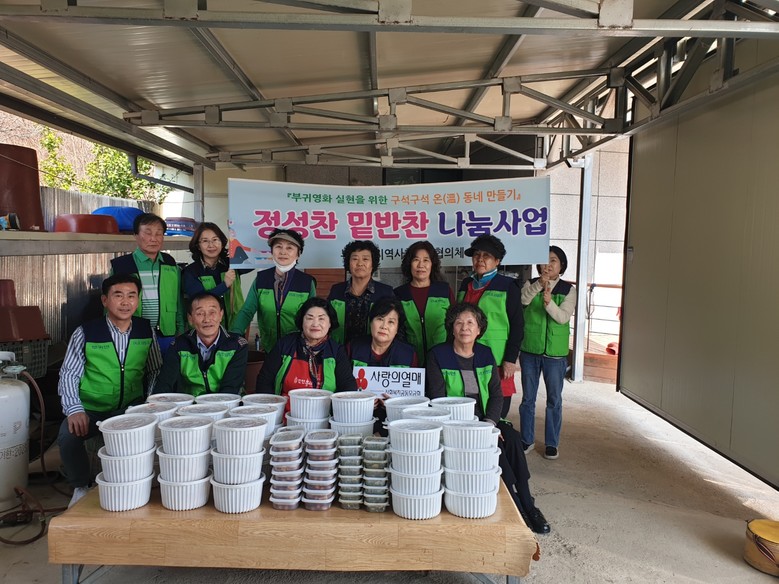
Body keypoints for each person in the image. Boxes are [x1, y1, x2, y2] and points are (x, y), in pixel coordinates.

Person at [427, 302, 550, 535]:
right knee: (496, 449)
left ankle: (529, 503)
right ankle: (515, 505)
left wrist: (490, 425)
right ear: (451, 327)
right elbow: (438, 400)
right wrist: (479, 431)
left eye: (470, 323)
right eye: (459, 322)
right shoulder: (438, 355)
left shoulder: (485, 353)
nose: (465, 327)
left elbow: (496, 394)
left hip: (486, 420)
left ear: (479, 329)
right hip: (457, 425)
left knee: (512, 438)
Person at [57, 274, 162, 508]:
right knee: (67, 436)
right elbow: (69, 374)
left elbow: (155, 369)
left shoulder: (145, 330)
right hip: (92, 408)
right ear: (105, 300)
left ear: (138, 300)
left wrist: (149, 402)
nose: (125, 302)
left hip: (130, 409)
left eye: (131, 295)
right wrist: (74, 409)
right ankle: (80, 487)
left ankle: (132, 484)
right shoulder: (86, 332)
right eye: (118, 295)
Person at [457, 234, 523, 419]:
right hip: (468, 358)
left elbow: (518, 325)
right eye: (476, 255)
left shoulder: (508, 286)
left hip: (498, 361)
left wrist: (510, 359)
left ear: (497, 261)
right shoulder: (466, 284)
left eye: (486, 256)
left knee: (497, 409)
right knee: (472, 402)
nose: (480, 259)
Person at [519, 246, 576, 460]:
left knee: (554, 400)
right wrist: (538, 286)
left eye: (553, 260)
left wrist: (549, 302)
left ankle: (552, 443)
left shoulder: (568, 290)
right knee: (528, 399)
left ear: (561, 266)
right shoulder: (530, 283)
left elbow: (562, 317)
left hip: (555, 354)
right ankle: (527, 439)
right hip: (529, 350)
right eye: (544, 260)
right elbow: (523, 301)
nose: (548, 265)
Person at [230, 228, 316, 351]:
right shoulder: (261, 279)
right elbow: (247, 310)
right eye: (278, 246)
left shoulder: (306, 282)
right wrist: (235, 333)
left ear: (298, 254)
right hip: (269, 348)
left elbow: (312, 315)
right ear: (272, 251)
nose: (283, 252)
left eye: (289, 248)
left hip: (297, 349)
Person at [255, 297, 357, 400]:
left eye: (321, 318)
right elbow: (265, 380)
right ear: (302, 321)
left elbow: (347, 386)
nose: (315, 324)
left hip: (325, 409)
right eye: (309, 318)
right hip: (286, 408)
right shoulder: (285, 345)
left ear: (330, 323)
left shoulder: (337, 351)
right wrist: (272, 406)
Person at [110, 212, 185, 353]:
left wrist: (180, 329)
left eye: (159, 233)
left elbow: (178, 300)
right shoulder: (122, 266)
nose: (153, 238)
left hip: (167, 334)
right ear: (136, 235)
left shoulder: (169, 263)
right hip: (132, 334)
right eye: (148, 233)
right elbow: (111, 303)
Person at [153, 292, 249, 396]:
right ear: (190, 319)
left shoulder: (237, 345)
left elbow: (230, 389)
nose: (207, 319)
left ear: (221, 315)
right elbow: (164, 384)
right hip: (190, 403)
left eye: (212, 312)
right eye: (200, 314)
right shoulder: (178, 346)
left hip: (226, 402)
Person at [394, 241, 453, 365]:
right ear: (409, 264)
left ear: (432, 264)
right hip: (410, 360)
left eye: (426, 260)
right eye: (416, 260)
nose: (421, 265)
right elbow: (397, 330)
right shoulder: (399, 294)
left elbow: (454, 324)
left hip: (442, 359)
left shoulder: (444, 290)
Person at [328, 240, 394, 345]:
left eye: (365, 259)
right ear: (348, 263)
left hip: (373, 352)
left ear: (373, 264)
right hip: (340, 350)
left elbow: (393, 326)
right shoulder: (336, 290)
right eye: (355, 259)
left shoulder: (386, 292)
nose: (360, 263)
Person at [182, 222, 246, 330]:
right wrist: (224, 285)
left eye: (215, 240)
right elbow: (199, 299)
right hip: (204, 329)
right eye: (205, 241)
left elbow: (252, 261)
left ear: (222, 242)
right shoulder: (191, 271)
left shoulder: (232, 264)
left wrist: (236, 233)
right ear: (198, 246)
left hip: (235, 328)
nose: (211, 245)